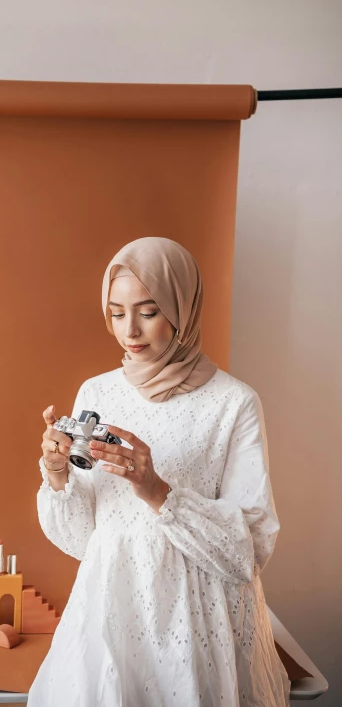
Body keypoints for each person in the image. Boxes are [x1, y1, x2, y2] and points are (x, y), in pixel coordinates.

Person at [27, 237, 291, 707]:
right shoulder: (96, 391)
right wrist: (57, 474)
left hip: (199, 612)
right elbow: (84, 536)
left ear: (182, 308)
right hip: (111, 599)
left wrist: (158, 492)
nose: (130, 329)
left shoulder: (234, 402)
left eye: (148, 311)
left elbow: (247, 550)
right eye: (116, 312)